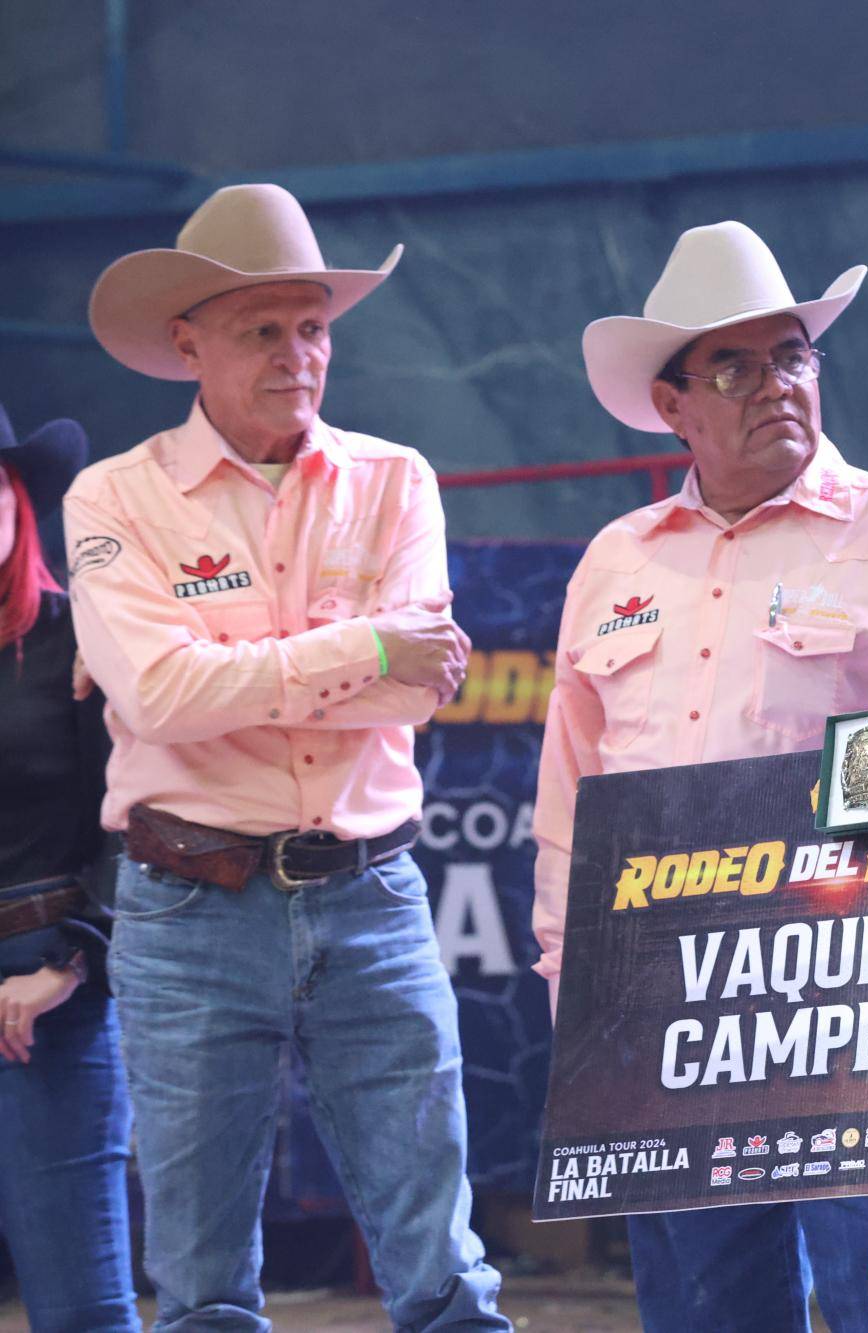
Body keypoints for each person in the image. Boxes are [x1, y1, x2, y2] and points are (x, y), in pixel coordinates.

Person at [65, 183, 506, 1332]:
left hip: (369, 887)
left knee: (444, 1262)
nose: (298, 353)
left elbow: (424, 684)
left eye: (313, 326)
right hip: (188, 899)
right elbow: (159, 695)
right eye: (263, 328)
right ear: (188, 342)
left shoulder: (394, 474)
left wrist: (243, 669)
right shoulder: (112, 494)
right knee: (202, 1276)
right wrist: (358, 644)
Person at [534, 219, 868, 1333]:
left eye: (792, 355)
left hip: (861, 979)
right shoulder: (616, 557)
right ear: (671, 403)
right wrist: (572, 973)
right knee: (706, 1303)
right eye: (734, 365)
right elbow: (574, 775)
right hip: (662, 989)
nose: (775, 383)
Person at [0, 407, 140, 1332]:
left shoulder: (77, 639)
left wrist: (68, 964)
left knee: (79, 1305)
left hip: (46, 984)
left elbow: (136, 817)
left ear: (16, 502)